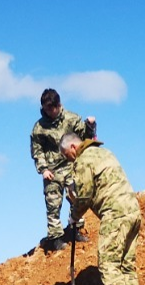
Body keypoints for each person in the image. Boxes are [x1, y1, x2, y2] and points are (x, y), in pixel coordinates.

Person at [62, 135, 142, 285]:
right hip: (132, 211)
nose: (70, 159)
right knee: (125, 263)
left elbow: (84, 196)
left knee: (108, 261)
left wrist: (74, 216)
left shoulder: (83, 160)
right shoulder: (104, 153)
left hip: (114, 213)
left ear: (73, 147)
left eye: (68, 155)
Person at [30, 89, 96, 252]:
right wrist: (43, 169)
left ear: (59, 105)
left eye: (53, 108)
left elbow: (84, 138)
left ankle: (75, 229)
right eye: (47, 109)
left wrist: (90, 125)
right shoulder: (39, 128)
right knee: (53, 202)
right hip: (52, 170)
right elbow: (37, 150)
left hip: (71, 164)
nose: (51, 112)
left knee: (76, 195)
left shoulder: (71, 118)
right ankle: (56, 238)